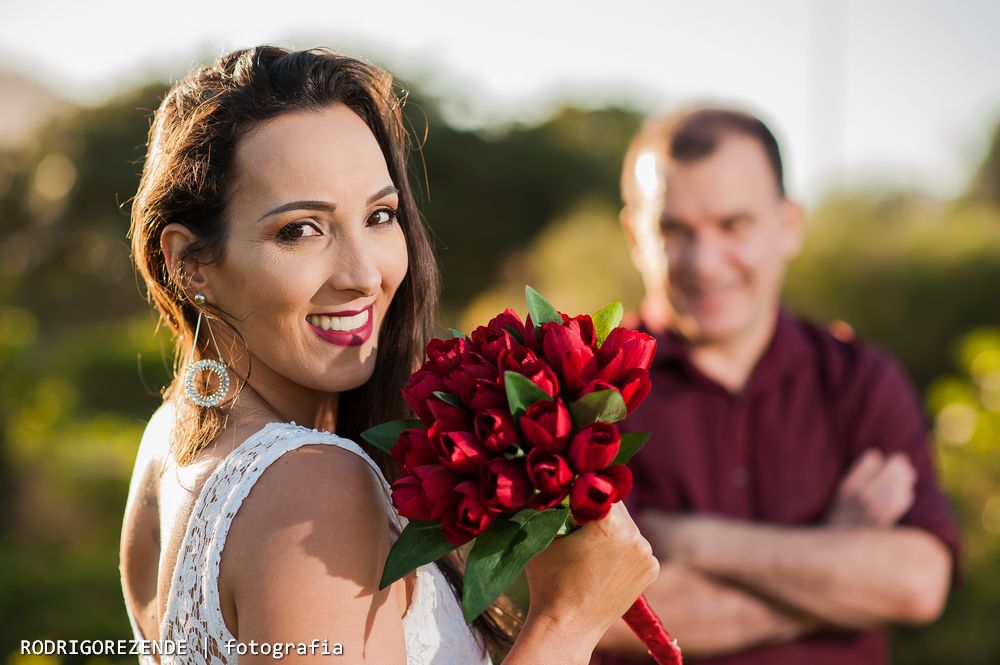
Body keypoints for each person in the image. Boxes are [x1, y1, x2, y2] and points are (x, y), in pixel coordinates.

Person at [119, 46, 658, 665]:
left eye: (379, 215)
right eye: (301, 230)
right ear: (190, 263)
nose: (363, 274)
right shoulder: (314, 484)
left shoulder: (169, 443)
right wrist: (567, 622)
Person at [596, 108, 961, 664]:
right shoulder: (584, 395)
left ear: (787, 225)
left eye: (733, 225)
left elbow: (915, 582)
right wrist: (837, 560)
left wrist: (695, 542)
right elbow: (600, 618)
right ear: (634, 235)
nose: (705, 262)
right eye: (674, 230)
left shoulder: (859, 379)